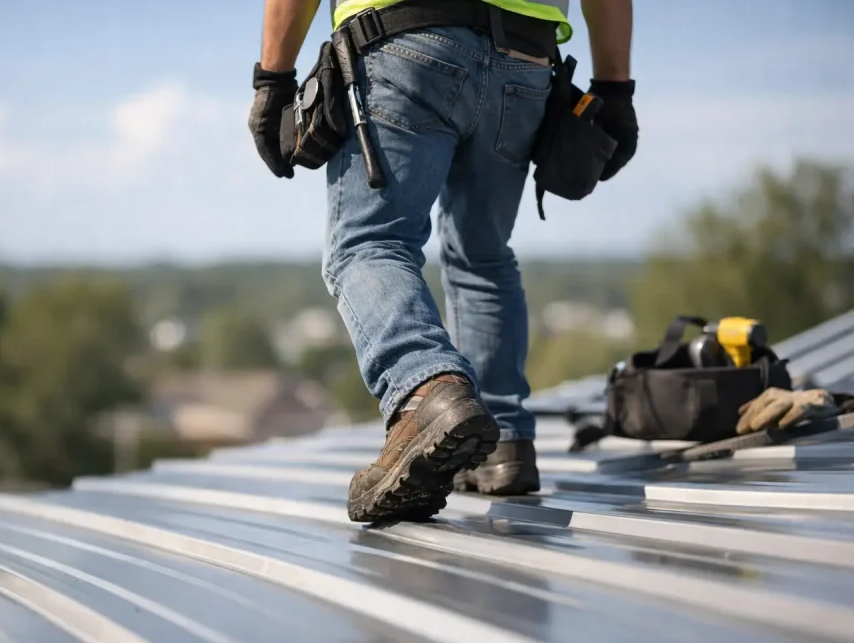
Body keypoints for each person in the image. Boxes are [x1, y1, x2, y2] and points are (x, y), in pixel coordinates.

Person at [248, 0, 638, 522]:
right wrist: (614, 88)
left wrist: (272, 79)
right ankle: (504, 445)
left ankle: (425, 390)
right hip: (525, 58)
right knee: (484, 257)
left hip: (403, 36)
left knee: (367, 245)